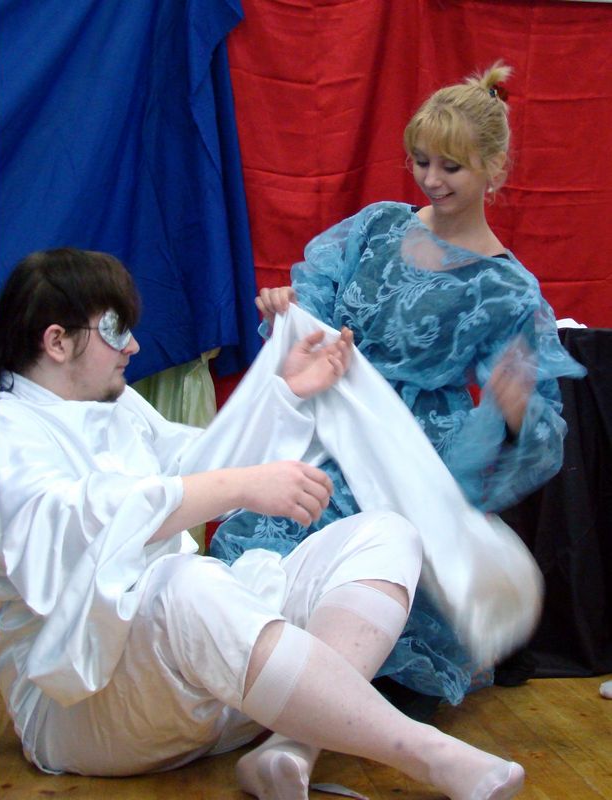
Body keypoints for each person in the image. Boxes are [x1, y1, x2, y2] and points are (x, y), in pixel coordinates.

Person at [0, 247, 527, 799]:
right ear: (57, 342)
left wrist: (288, 392)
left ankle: (291, 748)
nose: (133, 346)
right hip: (84, 709)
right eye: (114, 330)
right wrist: (242, 486)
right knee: (185, 583)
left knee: (386, 533)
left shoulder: (114, 403)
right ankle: (428, 754)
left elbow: (194, 464)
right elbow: (75, 528)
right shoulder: (4, 431)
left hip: (194, 688)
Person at [210, 61, 587, 707]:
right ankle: (267, 675)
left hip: (410, 454)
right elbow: (316, 303)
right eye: (421, 161)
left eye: (451, 166)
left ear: (495, 169)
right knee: (267, 536)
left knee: (375, 580)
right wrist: (289, 310)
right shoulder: (378, 226)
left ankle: (332, 696)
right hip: (330, 422)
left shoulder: (507, 287)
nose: (431, 180)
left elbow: (544, 429)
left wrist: (515, 407)